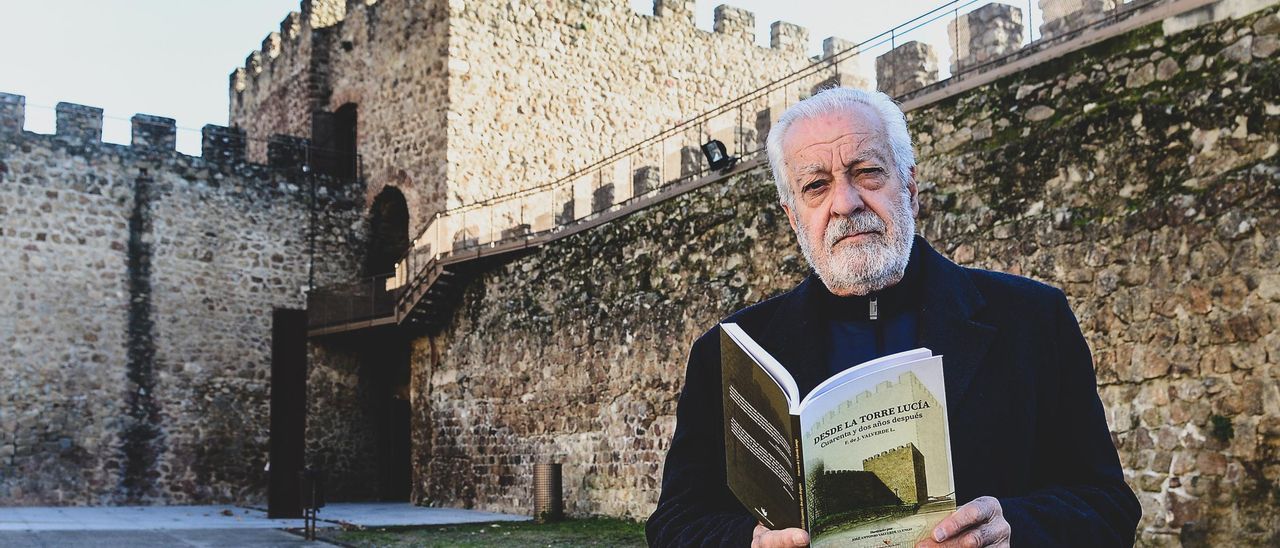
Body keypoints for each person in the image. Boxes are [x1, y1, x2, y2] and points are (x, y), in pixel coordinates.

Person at [645, 88, 1141, 547]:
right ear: (794, 215)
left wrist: (1014, 530)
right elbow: (674, 525)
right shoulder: (728, 352)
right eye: (816, 186)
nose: (846, 203)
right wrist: (748, 543)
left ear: (910, 186)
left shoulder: (1033, 319)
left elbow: (1108, 506)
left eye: (867, 172)